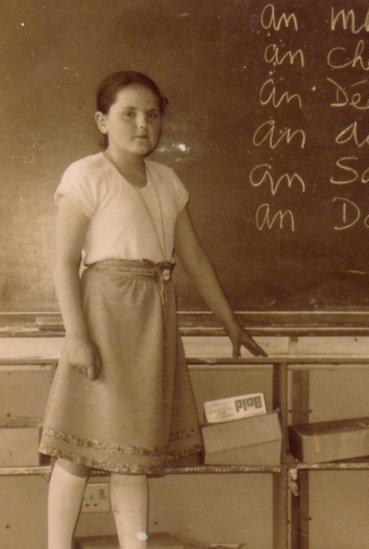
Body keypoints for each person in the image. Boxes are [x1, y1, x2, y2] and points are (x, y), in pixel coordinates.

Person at [39, 71, 267, 549]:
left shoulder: (167, 181)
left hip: (154, 316)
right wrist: (78, 337)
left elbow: (195, 258)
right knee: (80, 448)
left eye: (152, 114)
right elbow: (62, 262)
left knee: (134, 452)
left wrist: (231, 322)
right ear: (102, 121)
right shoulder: (86, 175)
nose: (143, 123)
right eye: (129, 113)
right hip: (104, 313)